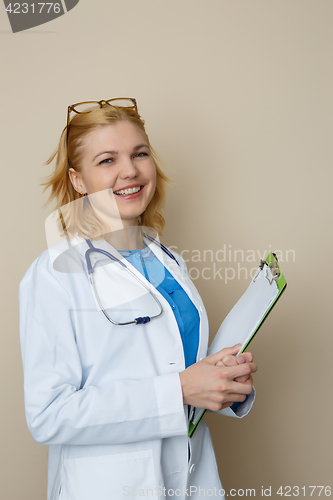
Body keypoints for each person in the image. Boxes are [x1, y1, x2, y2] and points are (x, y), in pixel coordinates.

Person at [19, 98, 257, 500]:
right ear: (78, 181)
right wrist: (178, 389)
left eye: (139, 153)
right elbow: (48, 415)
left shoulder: (167, 259)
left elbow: (172, 365)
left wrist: (221, 380)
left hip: (190, 477)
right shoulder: (54, 273)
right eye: (107, 160)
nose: (130, 170)